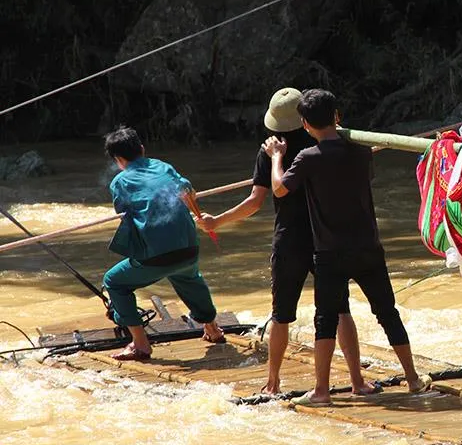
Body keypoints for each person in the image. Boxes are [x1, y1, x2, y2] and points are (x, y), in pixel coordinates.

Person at [198, 87, 373, 396]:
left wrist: (216, 221)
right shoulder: (325, 142)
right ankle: (357, 381)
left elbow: (255, 202)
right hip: (326, 238)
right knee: (341, 310)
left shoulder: (271, 151)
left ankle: (273, 381)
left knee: (281, 314)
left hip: (290, 239)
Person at [262, 89, 429, 407]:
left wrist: (276, 158)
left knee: (325, 320)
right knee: (388, 314)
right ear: (337, 116)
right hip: (368, 248)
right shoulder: (361, 152)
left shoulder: (307, 157)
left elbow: (280, 189)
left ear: (305, 124)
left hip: (330, 253)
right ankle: (413, 379)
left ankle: (321, 391)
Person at [102, 126, 223, 360]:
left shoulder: (120, 182)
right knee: (188, 276)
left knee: (113, 281)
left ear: (118, 160)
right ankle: (213, 328)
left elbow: (123, 213)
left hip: (157, 256)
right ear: (142, 149)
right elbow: (187, 189)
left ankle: (140, 344)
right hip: (189, 248)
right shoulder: (163, 166)